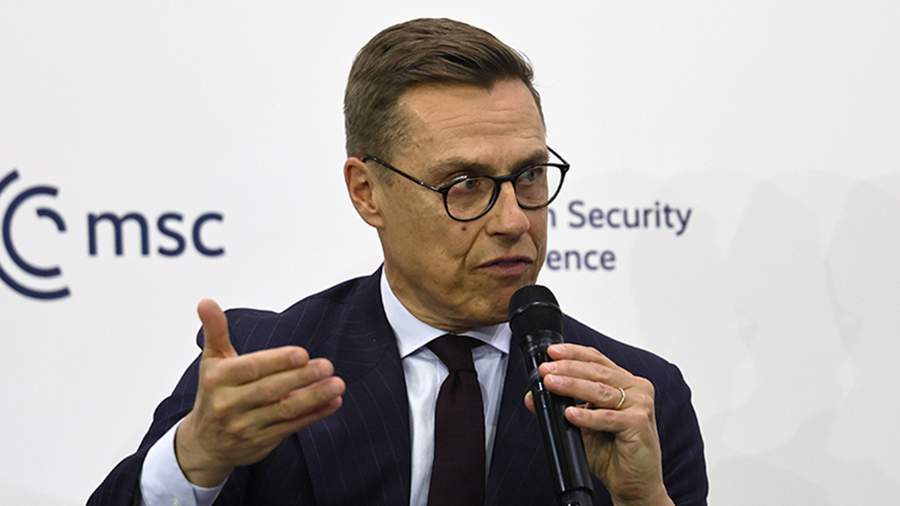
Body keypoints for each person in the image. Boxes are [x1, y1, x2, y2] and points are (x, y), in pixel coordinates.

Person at [89, 18, 708, 506]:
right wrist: (195, 458)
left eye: (529, 176)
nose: (514, 220)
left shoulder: (635, 398)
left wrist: (642, 500)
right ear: (367, 192)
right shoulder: (262, 366)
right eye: (465, 184)